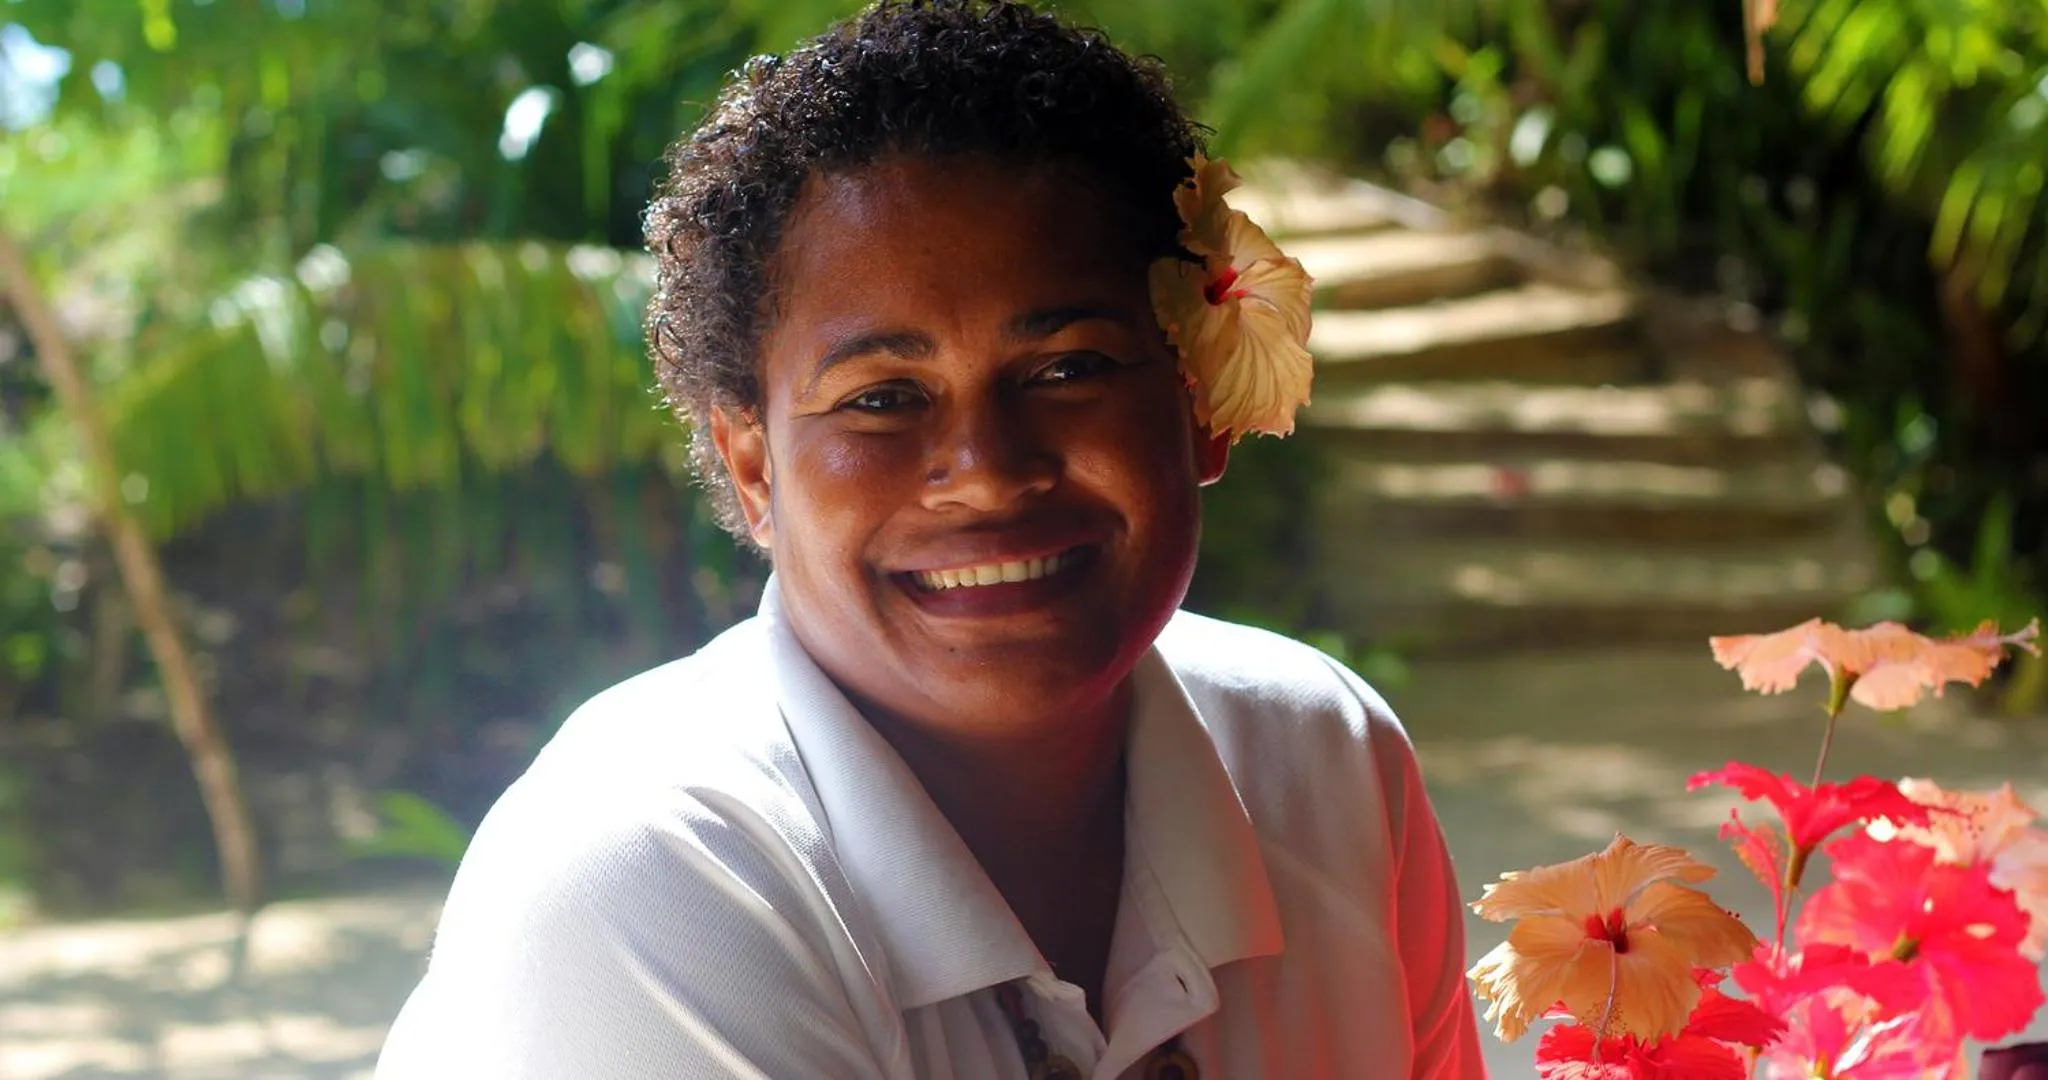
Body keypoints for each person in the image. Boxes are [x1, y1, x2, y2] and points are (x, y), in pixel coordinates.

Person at [373, 1, 1484, 1077]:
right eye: (880, 397)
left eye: (1066, 370)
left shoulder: (1322, 760)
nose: (989, 469)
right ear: (754, 467)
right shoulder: (647, 880)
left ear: (1201, 402)